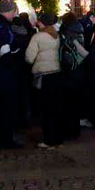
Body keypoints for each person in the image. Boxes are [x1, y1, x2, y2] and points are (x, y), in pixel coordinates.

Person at [0, 0, 23, 149]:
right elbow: (5, 51)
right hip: (5, 74)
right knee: (6, 107)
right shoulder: (1, 28)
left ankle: (3, 137)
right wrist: (15, 55)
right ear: (9, 11)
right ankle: (5, 139)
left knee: (2, 107)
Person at [25, 12, 62, 148]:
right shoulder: (56, 36)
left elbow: (29, 57)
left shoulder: (38, 37)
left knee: (46, 109)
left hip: (43, 76)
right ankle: (58, 138)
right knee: (56, 108)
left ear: (42, 23)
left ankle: (48, 140)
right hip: (56, 73)